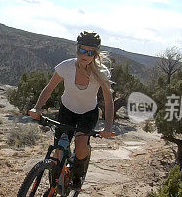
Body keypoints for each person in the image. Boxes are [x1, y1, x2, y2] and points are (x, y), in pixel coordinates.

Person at [28, 31, 116, 188]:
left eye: (91, 52)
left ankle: (78, 173)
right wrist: (37, 108)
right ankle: (55, 183)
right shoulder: (66, 66)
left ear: (95, 54)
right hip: (67, 111)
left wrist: (108, 127)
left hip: (88, 114)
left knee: (81, 146)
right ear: (77, 49)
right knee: (59, 149)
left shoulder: (101, 73)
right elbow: (49, 89)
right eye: (83, 50)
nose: (86, 55)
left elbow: (109, 102)